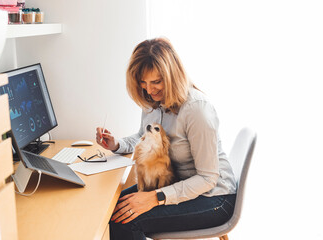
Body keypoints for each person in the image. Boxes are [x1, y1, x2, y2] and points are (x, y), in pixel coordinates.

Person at [96, 38, 237, 240]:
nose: (149, 90)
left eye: (156, 82)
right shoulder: (152, 101)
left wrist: (156, 198)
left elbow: (208, 179)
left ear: (172, 77)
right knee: (111, 208)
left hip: (214, 197)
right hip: (177, 183)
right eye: (143, 83)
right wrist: (116, 144)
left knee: (123, 220)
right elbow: (142, 137)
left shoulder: (197, 110)